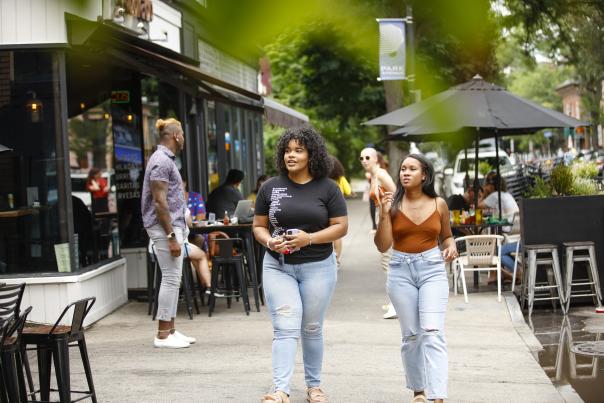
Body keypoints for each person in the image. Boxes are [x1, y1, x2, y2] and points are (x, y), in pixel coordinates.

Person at [253, 126, 348, 403]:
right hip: (277, 266)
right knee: (284, 326)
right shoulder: (270, 187)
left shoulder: (328, 188)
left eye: (298, 150)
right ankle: (280, 389)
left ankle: (313, 386)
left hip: (318, 266)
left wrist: (309, 239)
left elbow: (341, 227)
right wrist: (270, 242)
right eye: (287, 150)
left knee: (311, 328)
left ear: (311, 155)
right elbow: (258, 226)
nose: (290, 155)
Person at [374, 154, 457, 403]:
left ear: (425, 175)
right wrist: (383, 214)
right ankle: (419, 392)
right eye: (402, 169)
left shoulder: (439, 204)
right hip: (400, 271)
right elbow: (382, 245)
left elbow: (447, 236)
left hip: (432, 269)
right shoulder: (393, 204)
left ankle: (438, 396)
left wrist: (451, 247)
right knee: (411, 336)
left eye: (412, 169)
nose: (405, 173)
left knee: (432, 332)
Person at [141, 118, 195, 349]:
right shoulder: (162, 161)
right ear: (175, 136)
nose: (183, 138)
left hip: (171, 226)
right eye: (182, 133)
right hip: (165, 228)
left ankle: (170, 330)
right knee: (171, 278)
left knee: (174, 278)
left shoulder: (164, 160)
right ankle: (163, 334)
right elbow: (159, 203)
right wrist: (172, 236)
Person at [360, 147, 398, 319]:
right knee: (386, 261)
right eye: (361, 158)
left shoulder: (381, 174)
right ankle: (394, 302)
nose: (364, 161)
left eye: (367, 157)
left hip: (388, 221)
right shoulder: (374, 176)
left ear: (376, 158)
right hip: (382, 221)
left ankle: (396, 304)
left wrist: (389, 218)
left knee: (388, 262)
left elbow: (397, 195)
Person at [478, 173, 520, 283]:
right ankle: (500, 274)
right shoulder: (507, 194)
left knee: (495, 252)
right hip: (515, 231)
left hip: (506, 232)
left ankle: (517, 273)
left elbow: (479, 205)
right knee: (496, 250)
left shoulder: (495, 195)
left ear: (490, 186)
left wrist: (484, 193)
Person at [329, 155, 351, 266]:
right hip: (339, 208)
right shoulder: (340, 178)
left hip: (327, 208)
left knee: (327, 232)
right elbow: (348, 191)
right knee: (337, 235)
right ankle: (337, 258)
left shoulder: (323, 181)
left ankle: (330, 256)